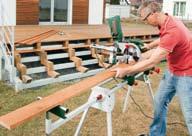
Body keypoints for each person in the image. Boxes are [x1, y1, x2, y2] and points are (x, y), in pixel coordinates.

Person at [112, 1, 192, 136]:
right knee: (159, 102)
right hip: (173, 71)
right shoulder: (167, 21)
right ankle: (156, 134)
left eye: (145, 18)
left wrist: (127, 70)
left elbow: (153, 61)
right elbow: (162, 41)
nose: (144, 21)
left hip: (186, 74)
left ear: (154, 13)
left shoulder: (173, 30)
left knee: (189, 114)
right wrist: (145, 50)